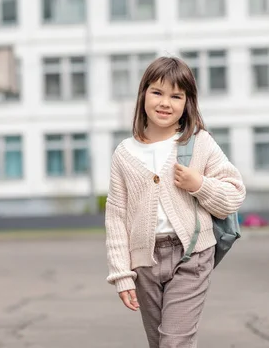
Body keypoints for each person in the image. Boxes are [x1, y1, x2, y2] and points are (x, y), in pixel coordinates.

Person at [104, 56, 246, 348]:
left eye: (175, 96)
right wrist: (122, 275)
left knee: (174, 342)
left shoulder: (199, 143)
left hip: (192, 255)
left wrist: (200, 185)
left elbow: (233, 195)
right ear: (143, 94)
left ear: (187, 102)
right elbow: (116, 217)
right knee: (160, 343)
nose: (165, 102)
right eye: (157, 92)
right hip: (144, 261)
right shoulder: (124, 153)